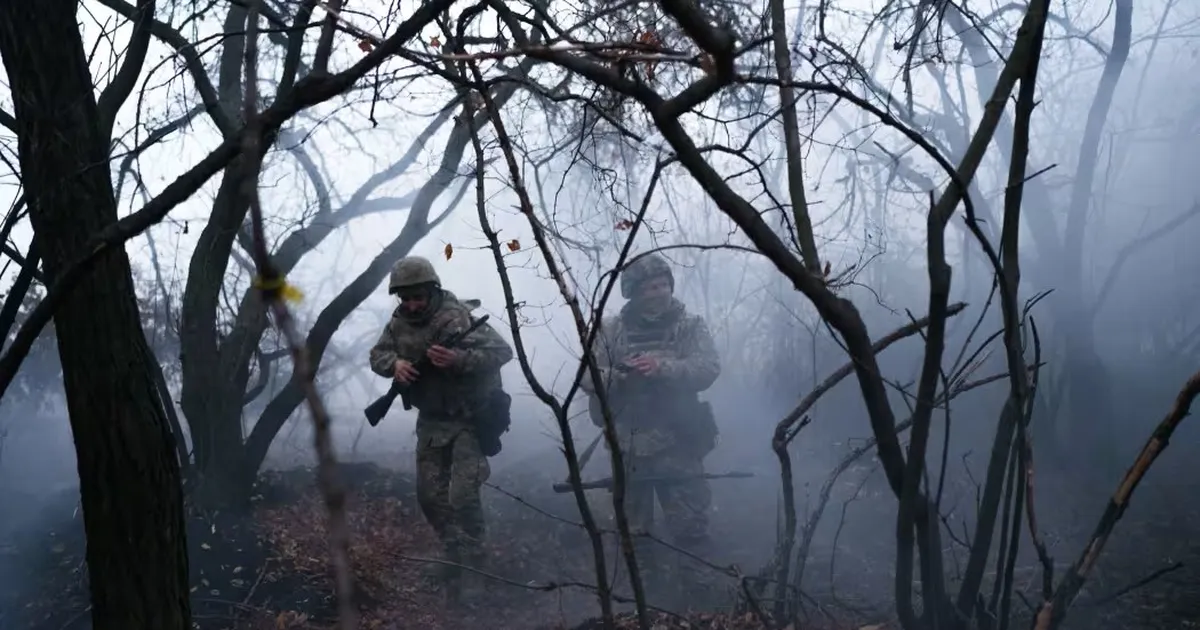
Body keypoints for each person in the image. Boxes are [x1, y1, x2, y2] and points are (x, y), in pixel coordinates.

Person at [367, 256, 514, 601]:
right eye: (405, 298)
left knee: (462, 495)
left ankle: (476, 562)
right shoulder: (398, 323)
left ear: (431, 290)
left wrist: (460, 360)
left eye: (418, 296)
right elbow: (377, 355)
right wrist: (396, 365)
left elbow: (502, 352)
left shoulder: (458, 317)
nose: (412, 304)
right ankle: (454, 554)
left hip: (470, 418)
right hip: (432, 420)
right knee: (429, 497)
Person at [580, 252, 721, 600]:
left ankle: (700, 603)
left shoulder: (690, 326)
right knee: (634, 531)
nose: (659, 292)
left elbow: (708, 369)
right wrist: (620, 376)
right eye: (650, 287)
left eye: (663, 285)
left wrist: (662, 368)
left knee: (690, 527)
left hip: (679, 440)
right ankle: (644, 602)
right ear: (633, 292)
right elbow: (586, 376)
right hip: (628, 444)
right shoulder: (610, 331)